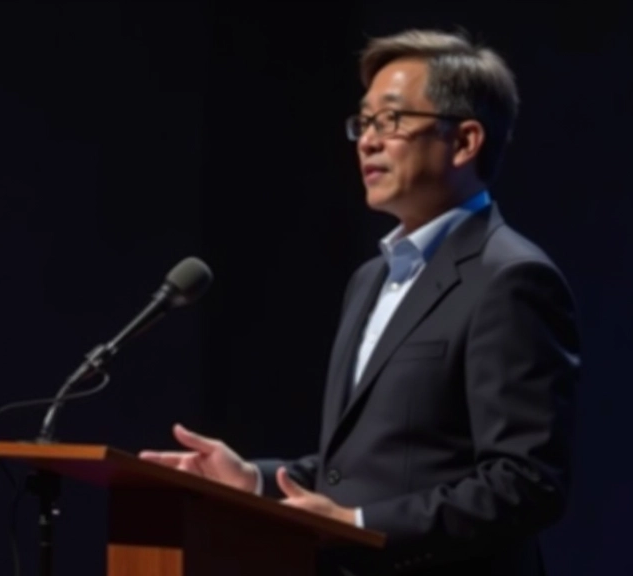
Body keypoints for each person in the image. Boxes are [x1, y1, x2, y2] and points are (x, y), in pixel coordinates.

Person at [140, 28, 579, 576]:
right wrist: (253, 479)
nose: (368, 141)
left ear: (465, 141)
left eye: (391, 121)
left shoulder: (511, 279)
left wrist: (360, 524)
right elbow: (363, 468)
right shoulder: (372, 278)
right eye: (364, 124)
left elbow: (526, 484)